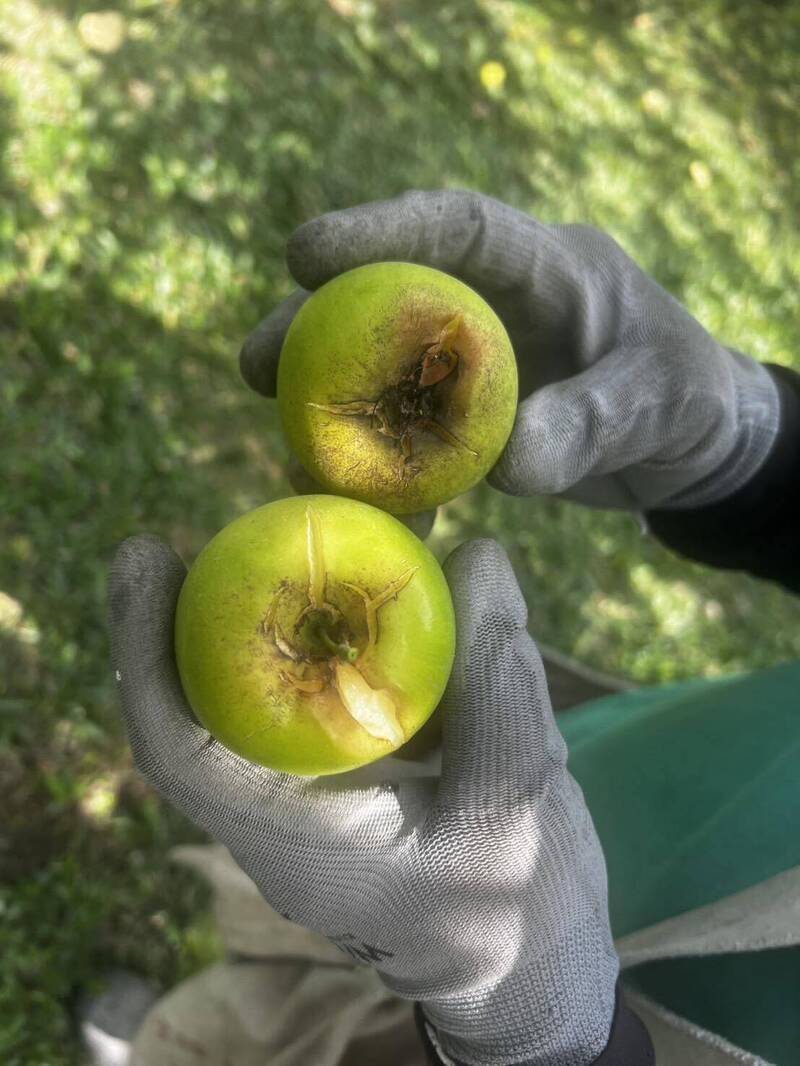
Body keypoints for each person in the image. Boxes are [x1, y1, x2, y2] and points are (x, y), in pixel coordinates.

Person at [108, 190, 800, 1066]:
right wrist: (759, 454)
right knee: (333, 920)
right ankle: (195, 1025)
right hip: (671, 774)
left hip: (667, 1017)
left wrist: (557, 1043)